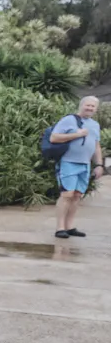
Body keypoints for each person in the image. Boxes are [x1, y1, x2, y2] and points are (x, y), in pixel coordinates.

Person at [51, 95, 103, 239]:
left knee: (77, 195)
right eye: (88, 105)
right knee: (67, 194)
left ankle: (69, 227)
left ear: (96, 109)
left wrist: (99, 164)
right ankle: (60, 228)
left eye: (93, 106)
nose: (90, 108)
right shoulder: (69, 120)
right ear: (81, 105)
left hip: (85, 164)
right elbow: (54, 138)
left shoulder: (95, 125)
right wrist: (76, 134)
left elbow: (96, 146)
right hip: (68, 162)